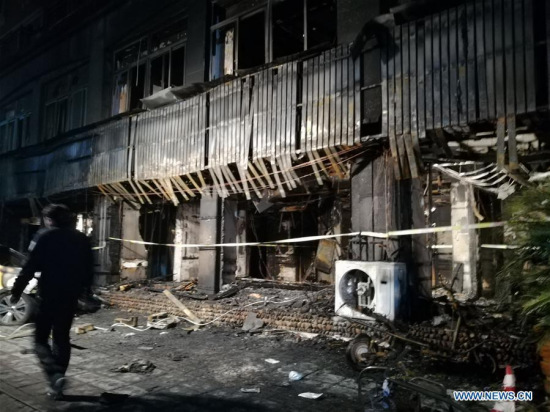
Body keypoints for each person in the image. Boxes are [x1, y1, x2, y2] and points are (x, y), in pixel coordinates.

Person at [9, 204, 94, 399]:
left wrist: (16, 291)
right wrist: (85, 292)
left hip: (49, 295)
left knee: (40, 339)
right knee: (62, 339)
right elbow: (89, 269)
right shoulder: (80, 238)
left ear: (49, 220)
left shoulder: (44, 237)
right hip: (70, 296)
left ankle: (54, 374)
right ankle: (58, 387)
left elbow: (29, 267)